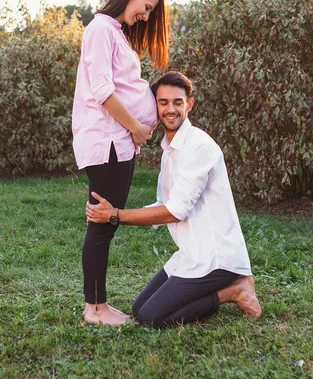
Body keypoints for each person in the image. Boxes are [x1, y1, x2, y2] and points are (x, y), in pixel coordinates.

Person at [86, 71, 262, 327]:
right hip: (190, 253)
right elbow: (163, 205)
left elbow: (173, 212)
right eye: (163, 102)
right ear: (155, 106)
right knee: (138, 309)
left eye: (178, 102)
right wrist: (108, 210)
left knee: (151, 317)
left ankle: (232, 291)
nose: (170, 109)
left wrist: (115, 215)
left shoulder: (198, 147)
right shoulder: (170, 149)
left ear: (189, 104)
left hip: (215, 258)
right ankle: (229, 287)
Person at [72, 0, 170, 325]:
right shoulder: (100, 29)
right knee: (102, 222)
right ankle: (94, 309)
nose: (144, 16)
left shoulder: (115, 33)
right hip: (107, 140)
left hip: (119, 142)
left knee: (107, 223)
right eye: (145, 7)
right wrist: (137, 129)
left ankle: (98, 305)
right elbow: (102, 91)